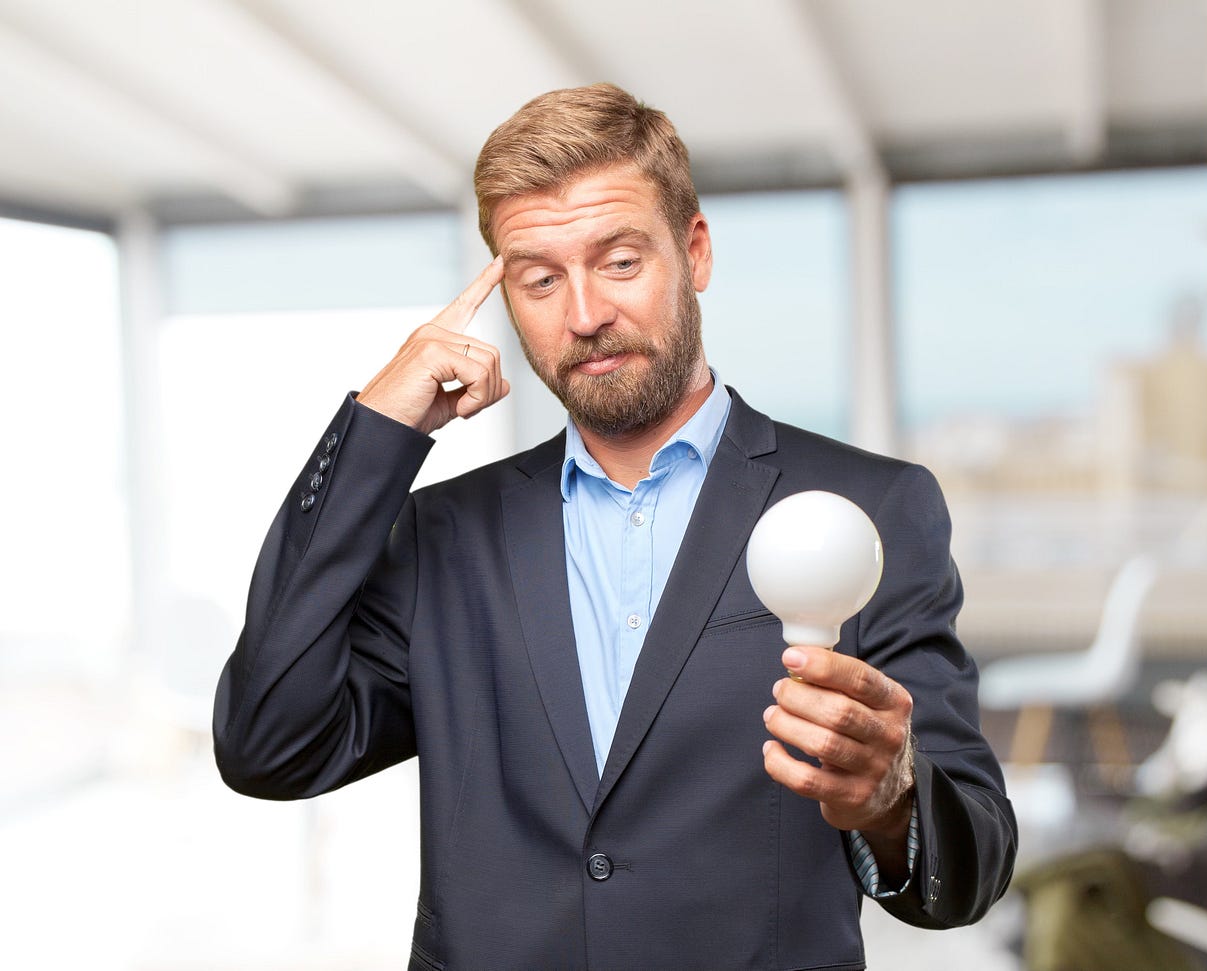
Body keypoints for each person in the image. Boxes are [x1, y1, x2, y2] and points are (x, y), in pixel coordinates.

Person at [213, 83, 1016, 970]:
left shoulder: (871, 507)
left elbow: (973, 864)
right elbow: (269, 744)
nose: (585, 315)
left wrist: (891, 796)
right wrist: (377, 430)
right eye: (540, 279)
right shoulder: (443, 533)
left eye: (621, 261)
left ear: (695, 251)